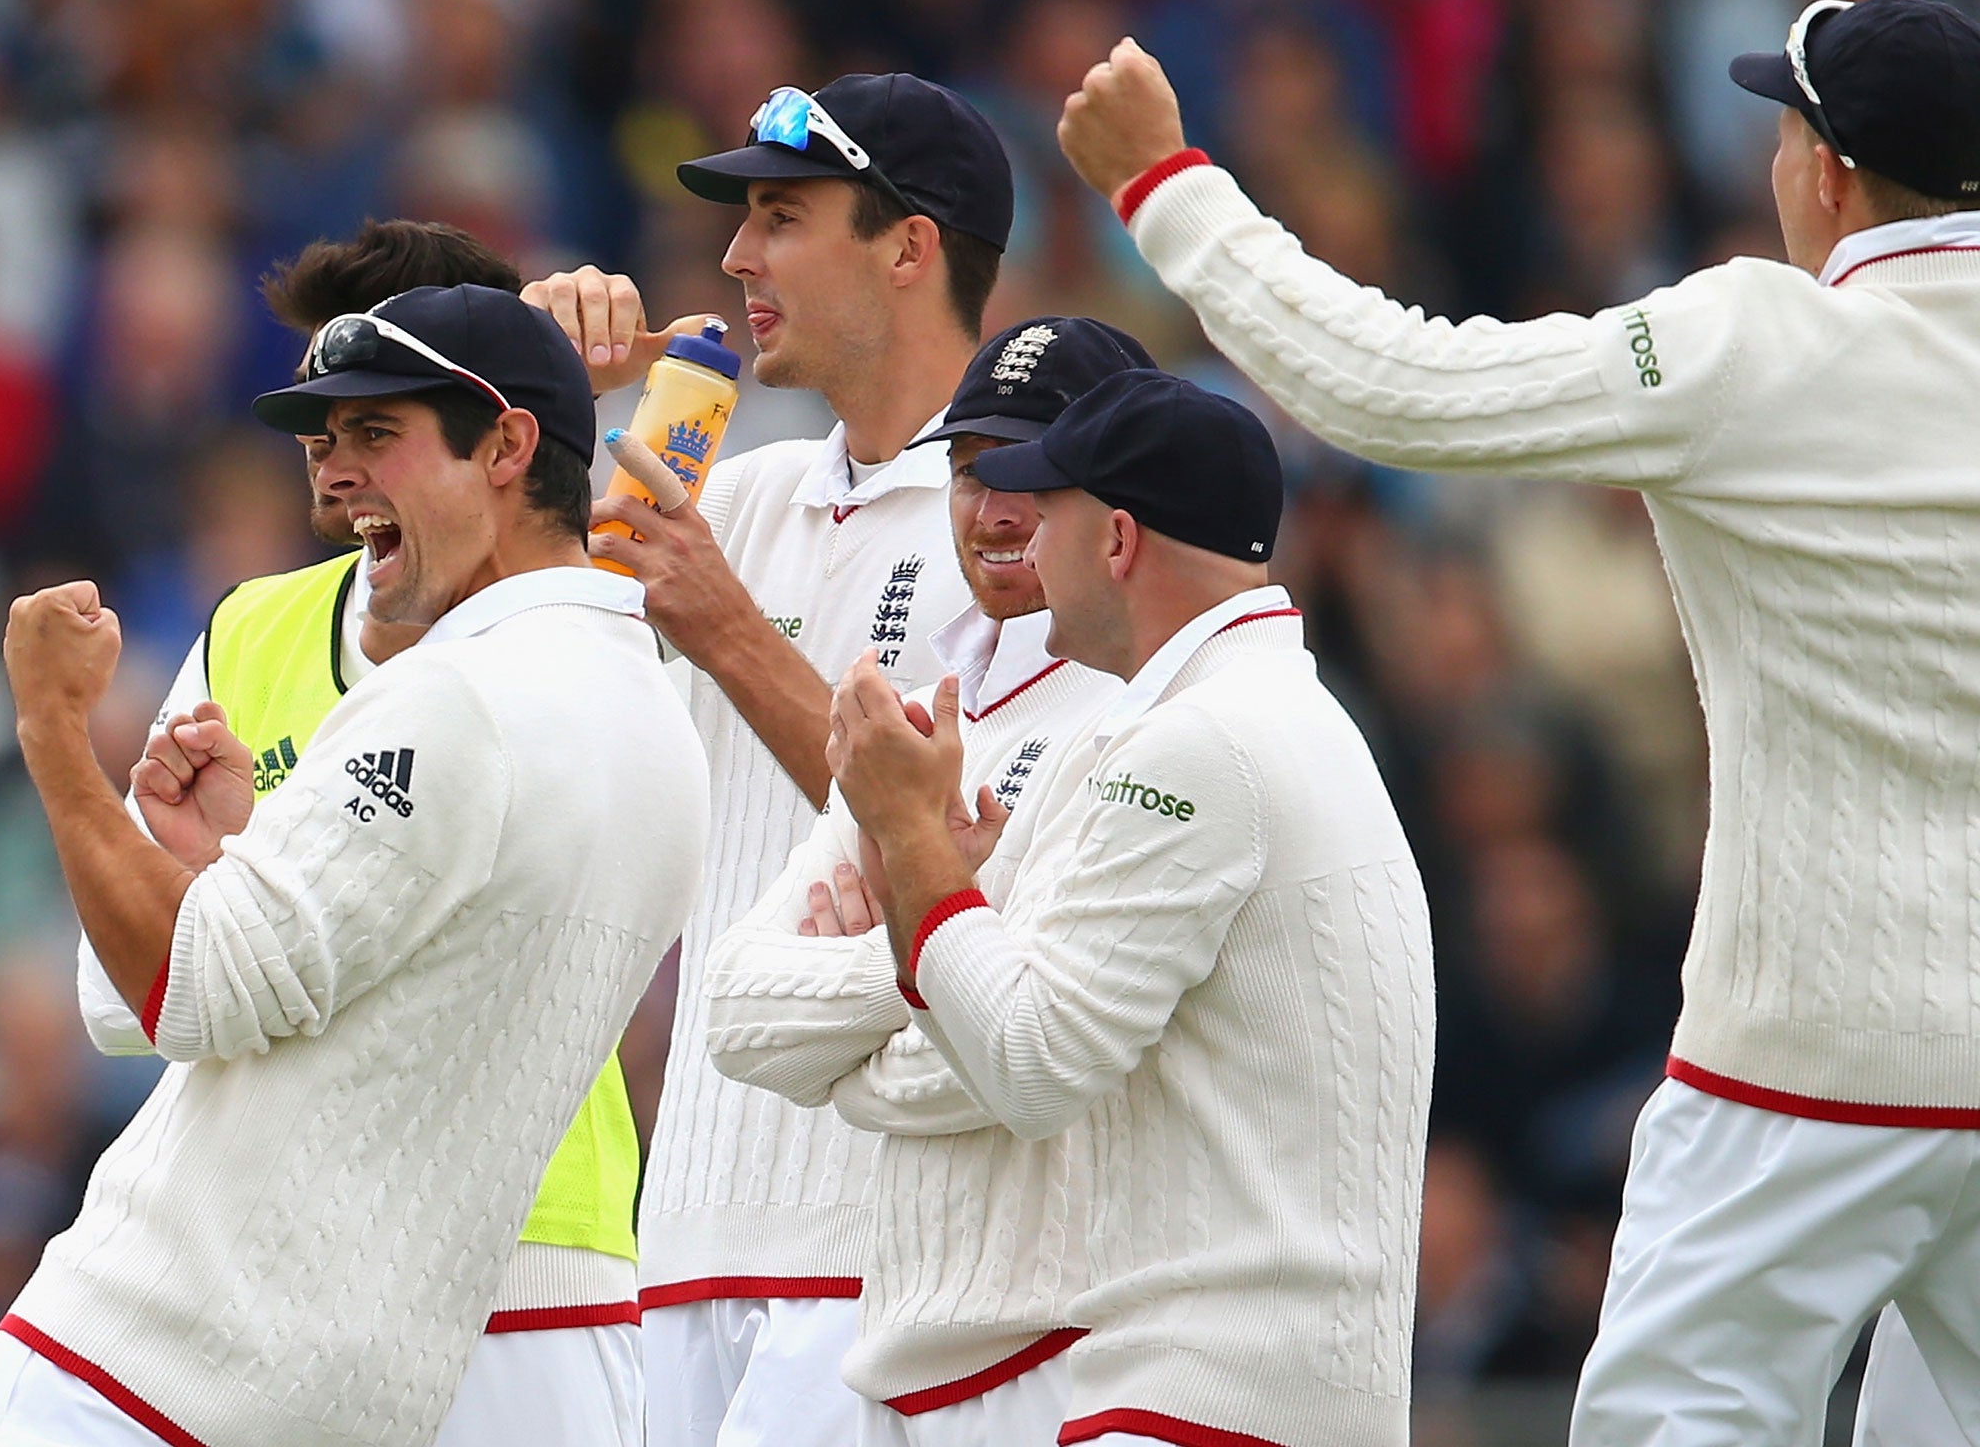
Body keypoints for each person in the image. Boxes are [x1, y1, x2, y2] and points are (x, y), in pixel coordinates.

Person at [1054, 0, 1980, 1447]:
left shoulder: (1753, 341)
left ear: (1831, 173)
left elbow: (1397, 386)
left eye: (1785, 136)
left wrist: (1167, 193)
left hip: (1806, 1060)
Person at [0, 284, 709, 1447]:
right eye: (323, 440)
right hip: (361, 1369)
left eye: (376, 434)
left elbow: (175, 991)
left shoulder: (454, 698)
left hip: (169, 1351)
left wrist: (52, 732)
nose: (332, 474)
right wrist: (230, 867)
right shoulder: (652, 722)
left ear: (508, 446)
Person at [529, 72, 1015, 1447]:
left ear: (909, 248)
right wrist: (527, 389)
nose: (737, 258)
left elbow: (959, 848)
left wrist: (727, 625)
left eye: (782, 219)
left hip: (884, 1248)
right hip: (681, 1228)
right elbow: (469, 647)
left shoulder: (1022, 521)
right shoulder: (732, 493)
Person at [825, 368, 1435, 1447]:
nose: (1016, 542)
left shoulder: (1197, 743)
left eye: (1043, 507)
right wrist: (950, 906)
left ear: (1114, 541)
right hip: (1247, 1397)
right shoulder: (1281, 714)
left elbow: (1030, 1064)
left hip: (1201, 1406)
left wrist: (916, 848)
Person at [704, 316, 1151, 1447]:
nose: (990, 509)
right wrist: (933, 940)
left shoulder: (1142, 723)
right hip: (899, 1327)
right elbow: (737, 1014)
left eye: (1031, 476)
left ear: (1119, 498)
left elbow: (1025, 1065)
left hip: (1062, 1345)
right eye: (967, 470)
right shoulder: (915, 706)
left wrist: (895, 921)